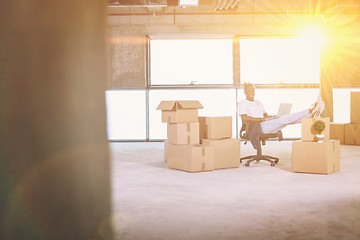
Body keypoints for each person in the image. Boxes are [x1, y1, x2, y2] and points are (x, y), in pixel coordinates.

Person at [238, 83, 324, 135]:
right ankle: (310, 111)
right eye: (248, 90)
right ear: (245, 92)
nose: (251, 92)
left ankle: (310, 115)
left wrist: (272, 116)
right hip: (257, 126)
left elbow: (265, 115)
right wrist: (261, 119)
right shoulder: (243, 103)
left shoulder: (259, 102)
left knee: (286, 119)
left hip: (266, 123)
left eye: (252, 90)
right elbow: (244, 118)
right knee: (285, 119)